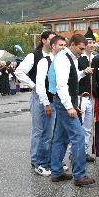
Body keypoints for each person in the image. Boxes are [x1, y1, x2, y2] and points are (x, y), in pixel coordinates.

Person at [48, 34, 94, 186]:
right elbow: (62, 85)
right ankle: (79, 175)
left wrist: (82, 73)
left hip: (63, 102)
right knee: (78, 137)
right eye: (81, 48)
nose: (82, 51)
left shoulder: (69, 57)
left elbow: (70, 79)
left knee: (60, 138)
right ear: (72, 44)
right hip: (64, 103)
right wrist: (69, 107)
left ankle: (56, 172)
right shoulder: (63, 58)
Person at [15, 30, 56, 168]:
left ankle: (48, 159)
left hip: (52, 96)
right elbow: (19, 72)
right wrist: (33, 85)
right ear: (44, 40)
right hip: (38, 96)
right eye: (51, 39)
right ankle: (35, 159)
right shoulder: (34, 55)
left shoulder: (55, 56)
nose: (54, 42)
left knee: (50, 130)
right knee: (38, 129)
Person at [33, 35, 66, 177]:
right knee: (46, 134)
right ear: (53, 46)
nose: (63, 48)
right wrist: (46, 103)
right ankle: (41, 163)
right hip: (49, 102)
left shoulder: (63, 61)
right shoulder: (44, 61)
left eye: (65, 45)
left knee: (56, 135)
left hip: (59, 102)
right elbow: (40, 84)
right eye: (60, 45)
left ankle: (54, 162)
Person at [78, 28, 97, 163]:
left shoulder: (95, 59)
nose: (91, 45)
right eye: (88, 43)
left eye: (92, 43)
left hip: (92, 97)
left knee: (88, 127)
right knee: (78, 126)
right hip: (81, 96)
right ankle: (76, 152)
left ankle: (84, 152)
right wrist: (84, 71)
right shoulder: (79, 59)